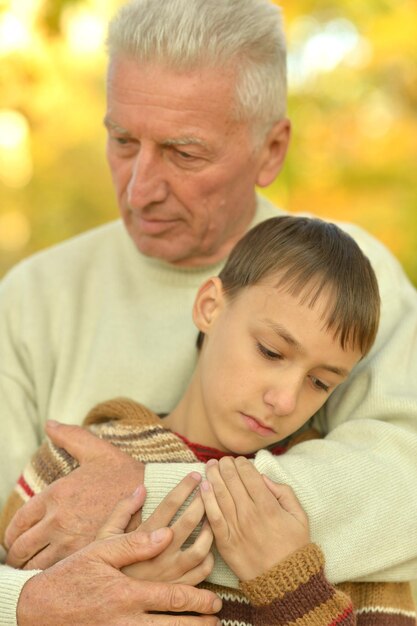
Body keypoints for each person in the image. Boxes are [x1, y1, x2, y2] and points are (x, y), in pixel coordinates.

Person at [0, 0, 416, 623]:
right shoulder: (32, 297)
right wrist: (25, 601)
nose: (139, 189)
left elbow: (401, 489)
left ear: (271, 150)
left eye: (184, 153)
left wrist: (144, 506)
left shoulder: (355, 281)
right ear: (210, 308)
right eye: (121, 141)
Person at [2, 216, 415, 624]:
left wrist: (295, 591)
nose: (285, 400)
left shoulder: (345, 529)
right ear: (209, 307)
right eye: (271, 352)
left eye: (320, 382)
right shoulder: (71, 473)